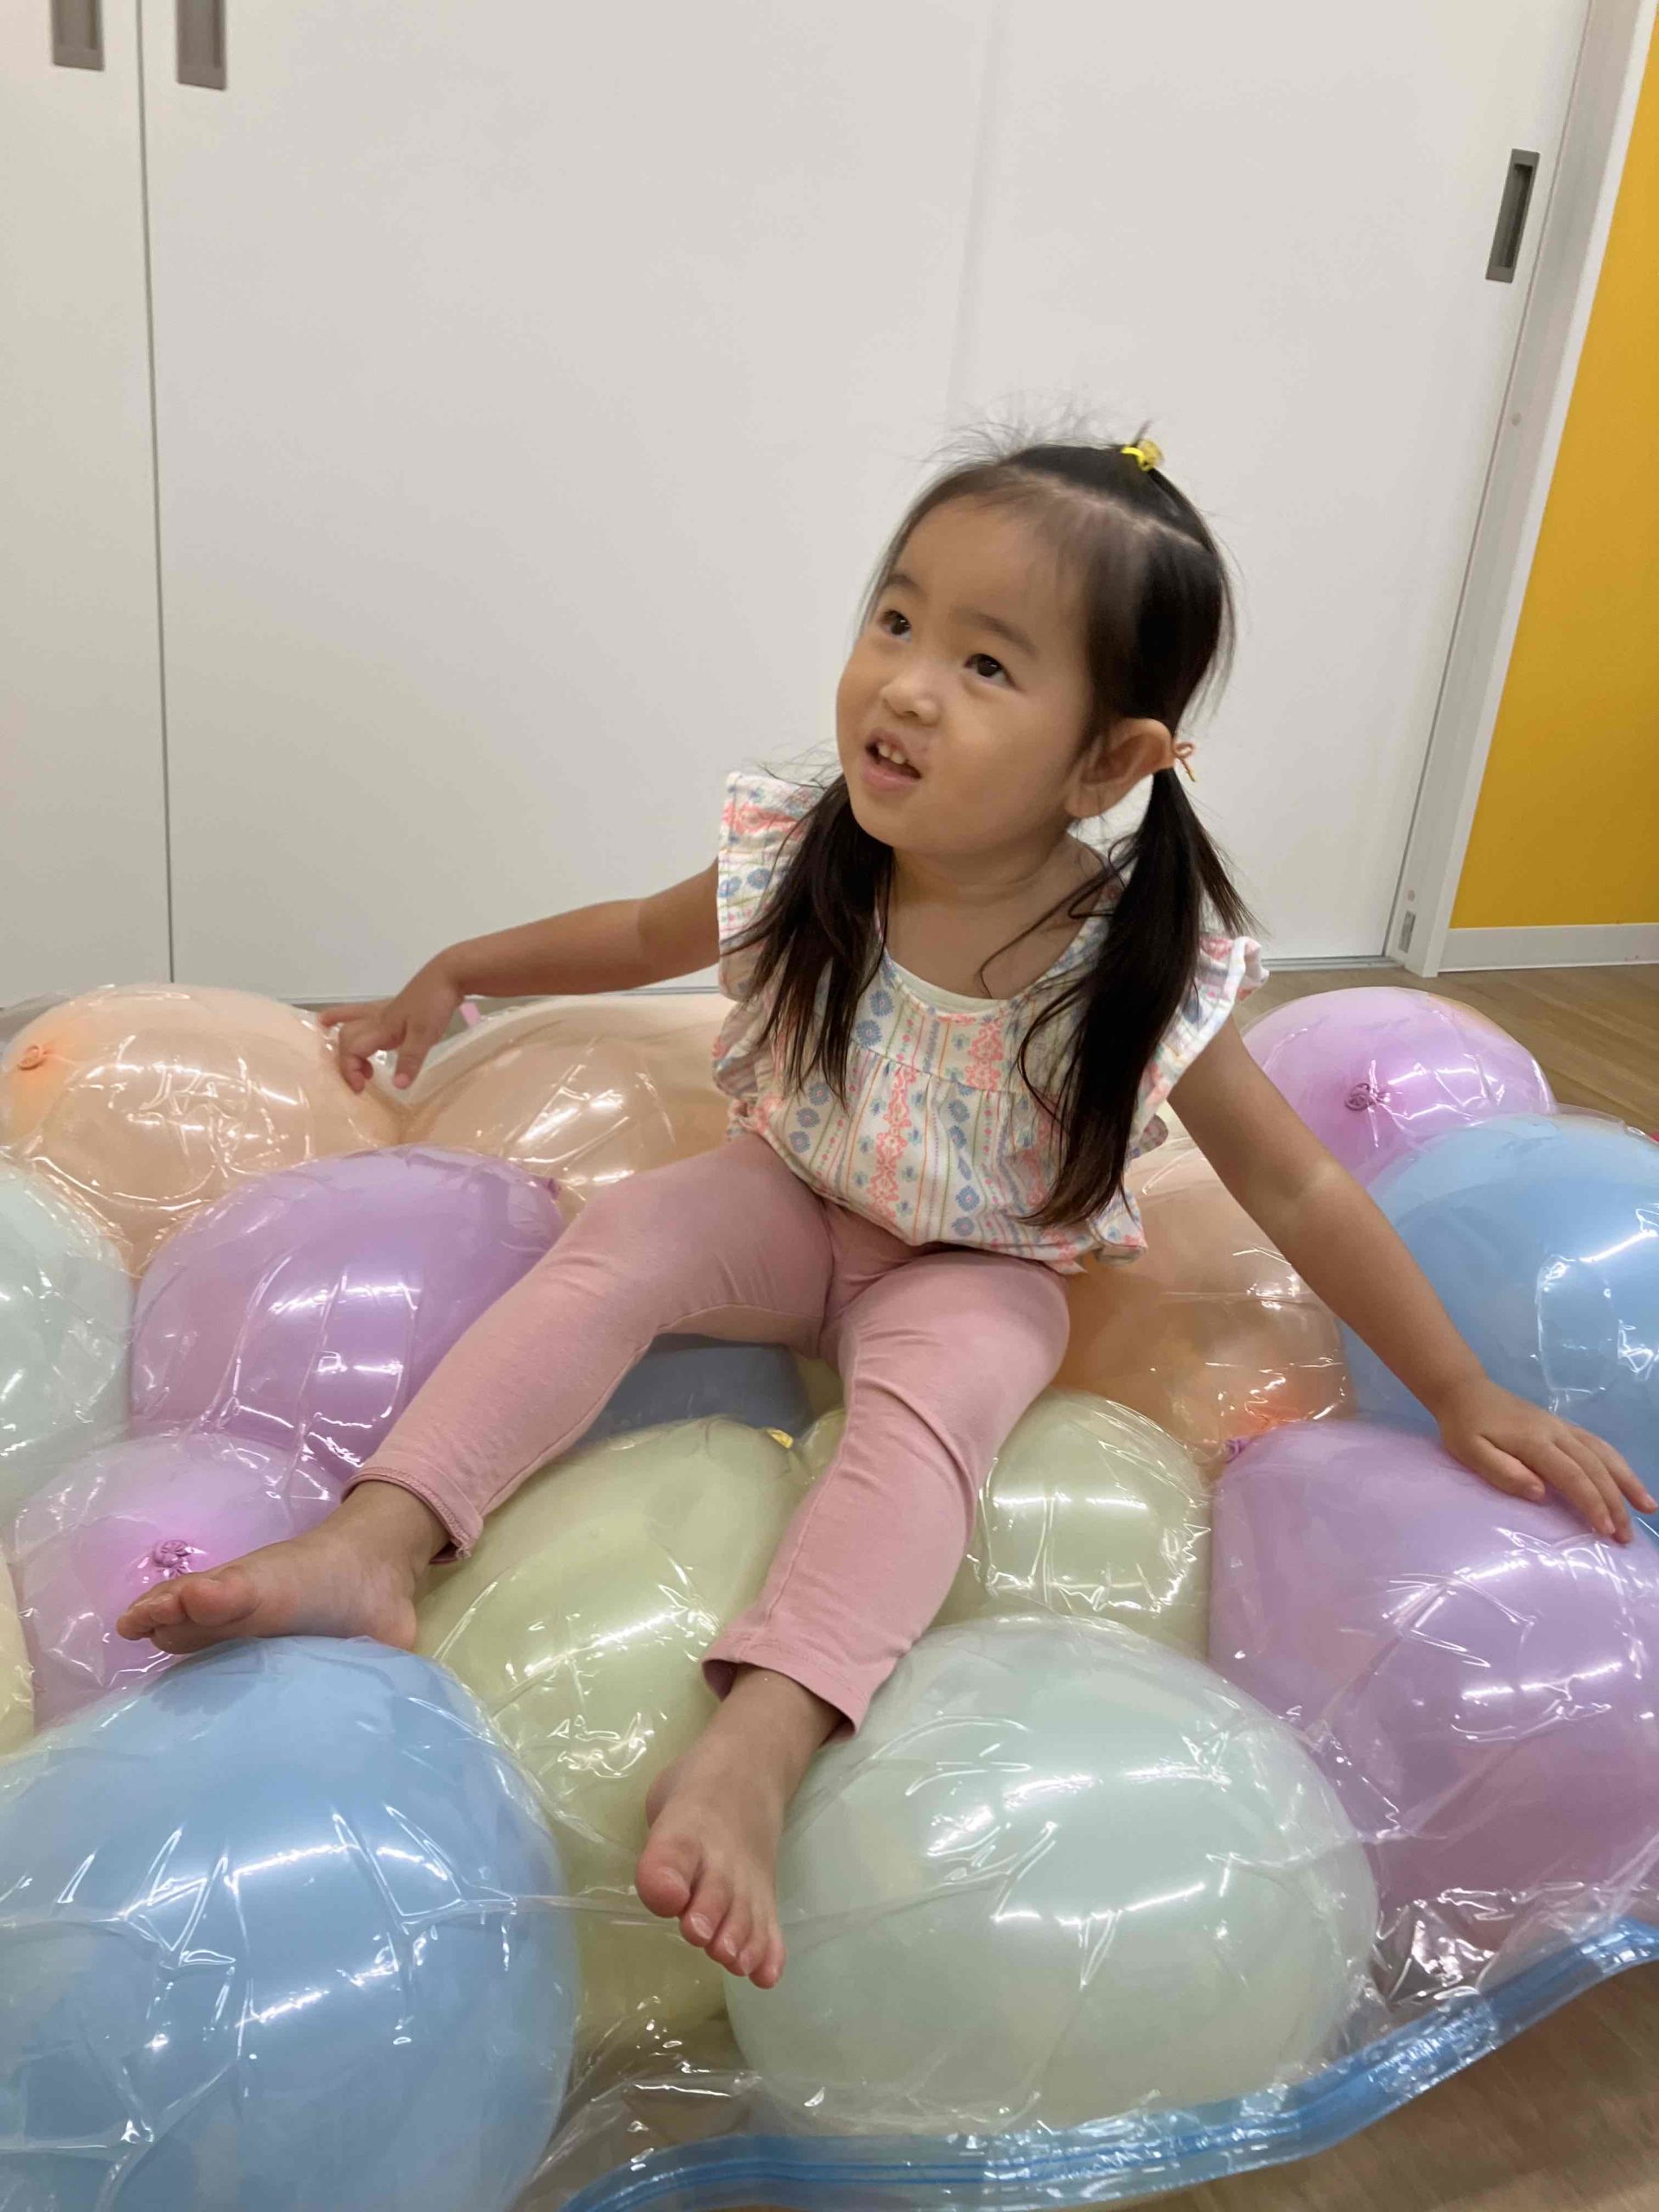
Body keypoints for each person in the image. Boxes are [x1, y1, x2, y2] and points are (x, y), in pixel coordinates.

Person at [117, 432, 1651, 1993]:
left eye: (986, 665)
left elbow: (1297, 1180)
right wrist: (459, 969)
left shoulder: (1128, 956)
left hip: (979, 1265)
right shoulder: (809, 845)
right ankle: (375, 1541)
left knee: (928, 1423)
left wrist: (1458, 1388)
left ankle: (764, 1735)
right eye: (897, 620)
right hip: (789, 1193)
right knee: (618, 1246)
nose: (906, 686)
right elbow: (641, 933)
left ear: (1108, 763)